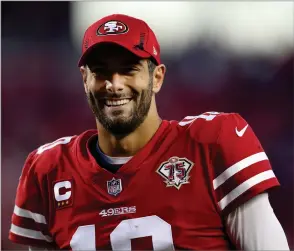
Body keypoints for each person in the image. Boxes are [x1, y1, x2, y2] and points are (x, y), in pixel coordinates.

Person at [9, 13, 289, 250]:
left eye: (129, 69)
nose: (114, 84)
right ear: (85, 79)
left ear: (157, 78)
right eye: (101, 72)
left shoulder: (212, 142)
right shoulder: (47, 169)